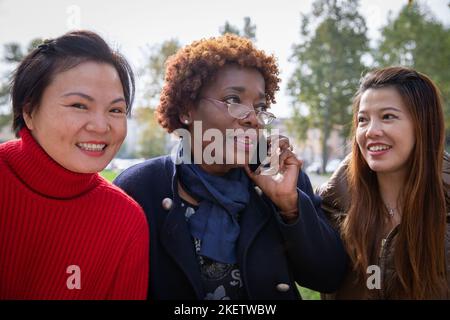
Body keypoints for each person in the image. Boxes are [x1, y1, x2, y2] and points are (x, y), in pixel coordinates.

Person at [113, 34, 347, 300]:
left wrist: (290, 207)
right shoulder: (141, 188)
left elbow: (329, 277)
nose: (254, 120)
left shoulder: (279, 178)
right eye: (233, 100)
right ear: (187, 110)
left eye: (259, 107)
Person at [0, 30, 149, 299]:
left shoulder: (126, 220)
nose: (100, 126)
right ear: (29, 111)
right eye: (79, 105)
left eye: (116, 110)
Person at [318, 66, 450, 299]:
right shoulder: (332, 207)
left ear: (424, 126)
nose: (371, 131)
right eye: (363, 120)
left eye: (388, 117)